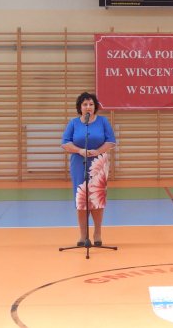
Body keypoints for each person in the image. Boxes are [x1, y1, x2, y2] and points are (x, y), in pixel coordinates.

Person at [61, 92, 116, 246]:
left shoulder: (103, 121)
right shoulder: (73, 123)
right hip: (79, 163)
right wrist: (79, 150)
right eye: (85, 104)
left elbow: (111, 141)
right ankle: (83, 236)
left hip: (99, 163)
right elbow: (65, 143)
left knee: (97, 198)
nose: (88, 107)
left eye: (91, 104)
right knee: (81, 199)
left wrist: (97, 151)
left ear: (95, 106)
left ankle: (97, 233)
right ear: (80, 107)